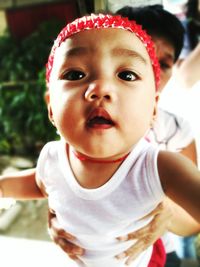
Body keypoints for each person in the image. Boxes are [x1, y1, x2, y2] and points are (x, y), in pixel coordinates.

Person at [1, 13, 200, 267]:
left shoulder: (159, 167)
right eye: (75, 74)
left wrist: (168, 212)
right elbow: (38, 183)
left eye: (126, 75)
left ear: (153, 108)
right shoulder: (52, 157)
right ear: (51, 107)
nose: (100, 88)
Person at [116, 4, 199, 265]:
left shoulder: (174, 130)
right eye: (144, 57)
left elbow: (192, 223)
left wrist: (163, 208)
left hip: (160, 255)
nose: (152, 73)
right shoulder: (85, 123)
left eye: (163, 64)